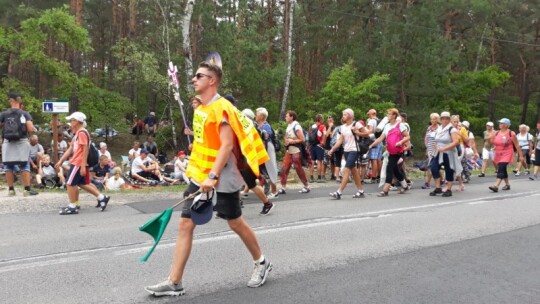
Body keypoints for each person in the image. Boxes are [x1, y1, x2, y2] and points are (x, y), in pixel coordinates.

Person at [145, 61, 272, 296]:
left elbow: (225, 146)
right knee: (185, 223)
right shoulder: (201, 108)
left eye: (199, 76)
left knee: (234, 222)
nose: (193, 79)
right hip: (200, 174)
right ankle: (175, 281)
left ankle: (262, 262)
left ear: (212, 81)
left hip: (221, 176)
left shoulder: (221, 108)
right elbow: (208, 140)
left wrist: (212, 176)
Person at [55, 111, 110, 214]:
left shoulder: (82, 133)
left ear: (78, 121)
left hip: (79, 162)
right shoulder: (77, 133)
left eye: (72, 120)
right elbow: (71, 148)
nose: (70, 122)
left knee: (69, 183)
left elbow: (85, 150)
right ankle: (102, 198)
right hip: (77, 162)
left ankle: (72, 206)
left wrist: (84, 165)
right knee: (82, 183)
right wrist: (61, 160)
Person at [0, 93, 39, 196]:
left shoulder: (4, 114)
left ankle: (11, 190)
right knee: (25, 165)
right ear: (19, 101)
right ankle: (26, 190)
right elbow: (30, 129)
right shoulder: (25, 114)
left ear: (10, 101)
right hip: (22, 141)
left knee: (8, 165)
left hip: (8, 142)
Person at [368, 108, 411, 197]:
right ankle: (405, 185)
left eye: (389, 114)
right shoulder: (387, 126)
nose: (388, 115)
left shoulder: (400, 125)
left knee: (389, 168)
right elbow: (381, 138)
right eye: (388, 114)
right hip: (390, 151)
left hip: (398, 151)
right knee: (395, 169)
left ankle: (385, 190)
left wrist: (401, 142)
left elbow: (407, 137)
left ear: (394, 116)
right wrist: (372, 145)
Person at [328, 108, 369, 199]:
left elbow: (367, 134)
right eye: (343, 115)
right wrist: (332, 150)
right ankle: (360, 191)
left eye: (345, 115)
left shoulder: (356, 124)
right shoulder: (343, 127)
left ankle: (339, 192)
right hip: (346, 151)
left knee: (347, 170)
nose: (343, 116)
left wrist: (357, 132)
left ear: (350, 116)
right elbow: (340, 141)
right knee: (354, 171)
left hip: (354, 150)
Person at [427, 111, 462, 197]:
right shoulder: (439, 129)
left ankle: (449, 189)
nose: (445, 120)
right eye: (443, 118)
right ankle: (438, 187)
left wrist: (445, 148)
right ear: (441, 119)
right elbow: (437, 140)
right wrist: (433, 150)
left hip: (448, 152)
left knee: (449, 169)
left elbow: (456, 142)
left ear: (449, 119)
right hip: (438, 151)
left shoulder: (451, 129)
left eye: (446, 118)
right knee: (433, 167)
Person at [278, 110, 310, 194]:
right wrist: (286, 141)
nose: (285, 117)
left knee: (298, 168)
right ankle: (283, 187)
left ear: (292, 117)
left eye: (287, 116)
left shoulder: (296, 126)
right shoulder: (289, 126)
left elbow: (302, 139)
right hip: (289, 150)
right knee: (284, 168)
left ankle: (306, 186)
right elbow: (287, 137)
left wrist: (292, 141)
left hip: (296, 150)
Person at [487, 118, 523, 192]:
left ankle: (496, 186)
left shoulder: (511, 133)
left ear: (506, 125)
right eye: (499, 123)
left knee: (501, 167)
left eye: (501, 123)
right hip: (498, 153)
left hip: (507, 153)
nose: (499, 124)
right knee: (503, 169)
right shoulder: (496, 133)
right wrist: (488, 138)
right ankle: (507, 185)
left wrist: (521, 156)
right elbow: (491, 143)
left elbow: (517, 145)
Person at [255, 107, 279, 199]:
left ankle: (274, 191)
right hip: (263, 149)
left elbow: (266, 137)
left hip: (268, 148)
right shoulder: (259, 126)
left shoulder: (266, 126)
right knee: (264, 169)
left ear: (261, 116)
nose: (256, 116)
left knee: (271, 168)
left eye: (257, 114)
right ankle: (266, 187)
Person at [422, 113, 440, 189]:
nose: (433, 120)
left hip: (437, 149)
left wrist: (435, 149)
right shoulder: (429, 128)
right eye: (431, 119)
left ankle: (427, 183)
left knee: (431, 166)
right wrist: (427, 148)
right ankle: (441, 180)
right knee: (434, 166)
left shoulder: (439, 128)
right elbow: (426, 138)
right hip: (429, 149)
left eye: (434, 119)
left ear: (437, 120)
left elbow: (439, 140)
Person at [307, 114, 327, 183]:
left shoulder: (312, 126)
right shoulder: (322, 126)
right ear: (321, 119)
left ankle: (311, 177)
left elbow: (309, 134)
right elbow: (325, 134)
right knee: (319, 161)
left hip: (312, 145)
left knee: (312, 161)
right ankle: (319, 178)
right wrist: (323, 142)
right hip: (319, 145)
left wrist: (309, 144)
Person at [366, 109, 382, 184]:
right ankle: (379, 176)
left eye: (369, 114)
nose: (368, 115)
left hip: (373, 142)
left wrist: (364, 132)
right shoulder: (380, 121)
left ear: (372, 114)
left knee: (373, 160)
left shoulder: (371, 121)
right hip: (380, 141)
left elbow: (370, 131)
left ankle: (374, 177)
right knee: (379, 159)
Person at [322, 115, 336, 180]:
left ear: (333, 121)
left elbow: (332, 136)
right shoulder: (325, 127)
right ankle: (323, 175)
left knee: (333, 162)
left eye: (331, 120)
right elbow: (327, 134)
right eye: (328, 121)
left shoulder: (336, 128)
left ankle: (333, 175)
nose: (329, 121)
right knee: (325, 162)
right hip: (327, 147)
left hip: (334, 147)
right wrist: (330, 127)